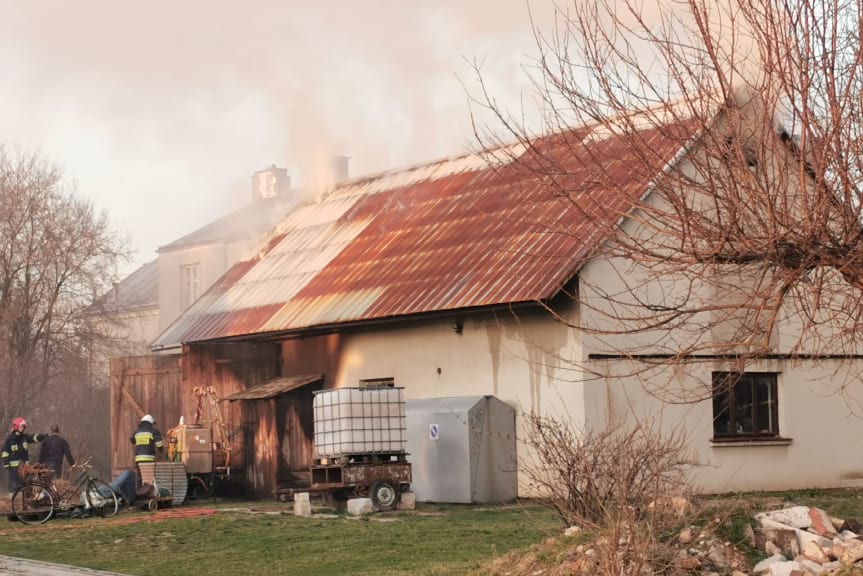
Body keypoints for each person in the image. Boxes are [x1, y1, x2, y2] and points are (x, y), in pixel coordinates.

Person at [1, 418, 46, 496]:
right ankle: (14, 500)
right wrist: (7, 464)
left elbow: (32, 438)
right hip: (14, 468)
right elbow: (5, 453)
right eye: (22, 426)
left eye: (24, 426)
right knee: (14, 485)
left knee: (25, 484)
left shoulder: (24, 437)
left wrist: (41, 436)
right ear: (17, 426)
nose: (24, 428)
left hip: (25, 468)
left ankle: (24, 501)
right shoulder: (10, 439)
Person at [130, 414, 164, 487]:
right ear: (150, 423)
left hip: (138, 458)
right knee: (150, 477)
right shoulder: (153, 431)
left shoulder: (137, 431)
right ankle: (149, 493)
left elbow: (132, 440)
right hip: (149, 459)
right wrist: (161, 451)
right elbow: (159, 444)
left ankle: (139, 493)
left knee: (140, 476)